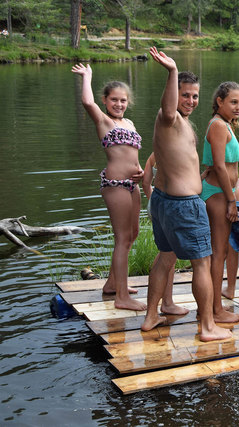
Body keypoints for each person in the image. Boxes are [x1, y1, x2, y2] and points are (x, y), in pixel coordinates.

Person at [141, 47, 230, 341]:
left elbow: (171, 156)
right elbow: (168, 109)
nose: (190, 100)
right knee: (202, 263)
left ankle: (151, 315)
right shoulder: (169, 117)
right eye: (184, 94)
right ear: (173, 93)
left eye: (195, 95)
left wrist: (198, 175)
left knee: (165, 258)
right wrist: (172, 71)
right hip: (183, 206)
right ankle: (207, 326)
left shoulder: (181, 124)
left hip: (163, 201)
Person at [71, 63, 146, 311]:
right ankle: (122, 297)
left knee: (132, 234)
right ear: (105, 100)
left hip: (133, 185)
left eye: (123, 100)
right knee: (122, 238)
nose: (119, 104)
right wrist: (87, 76)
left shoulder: (130, 123)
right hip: (115, 184)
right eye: (114, 100)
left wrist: (142, 172)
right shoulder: (103, 121)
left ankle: (112, 284)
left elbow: (133, 156)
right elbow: (87, 103)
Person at [201, 81, 239, 324]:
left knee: (221, 251)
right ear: (219, 101)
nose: (238, 107)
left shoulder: (225, 124)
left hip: (221, 192)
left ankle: (211, 305)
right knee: (219, 253)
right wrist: (231, 200)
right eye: (233, 102)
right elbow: (219, 166)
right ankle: (215, 309)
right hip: (218, 195)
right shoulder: (218, 125)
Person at [141, 152, 189, 316]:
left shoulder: (154, 155)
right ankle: (167, 303)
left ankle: (166, 302)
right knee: (169, 255)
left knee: (166, 254)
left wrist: (151, 199)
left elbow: (146, 182)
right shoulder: (176, 151)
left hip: (155, 202)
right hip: (171, 204)